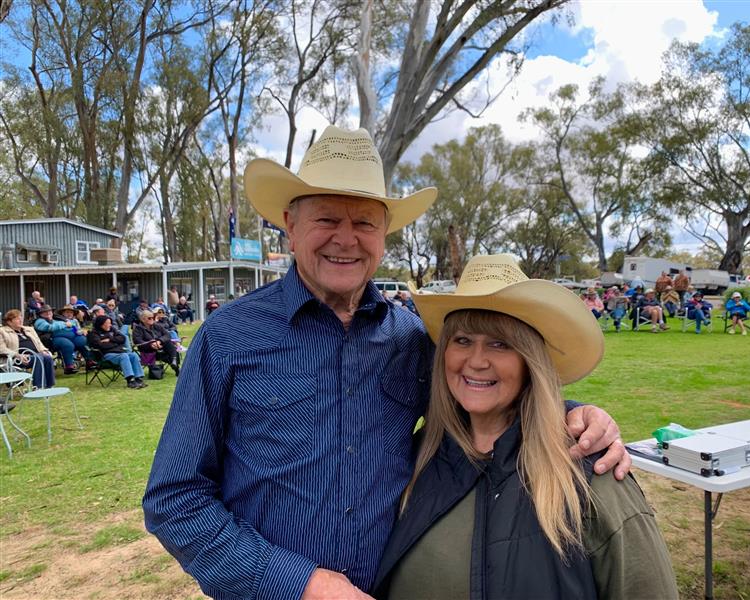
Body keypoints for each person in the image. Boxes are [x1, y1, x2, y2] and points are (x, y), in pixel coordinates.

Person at [142, 125, 630, 599]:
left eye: (364, 223)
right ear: (290, 226)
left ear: (385, 234)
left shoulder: (411, 337)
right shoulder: (228, 337)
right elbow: (175, 498)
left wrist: (575, 413)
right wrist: (303, 585)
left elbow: (486, 394)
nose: (346, 239)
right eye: (327, 219)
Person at [372, 254, 678, 599]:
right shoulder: (416, 458)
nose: (476, 361)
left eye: (500, 343)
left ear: (529, 360)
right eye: (462, 340)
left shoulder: (590, 472)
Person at [0, 309, 56, 389]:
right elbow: (1, 349)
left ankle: (49, 386)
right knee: (38, 358)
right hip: (16, 359)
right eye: (17, 319)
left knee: (47, 358)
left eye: (21, 317)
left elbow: (38, 343)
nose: (20, 320)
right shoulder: (2, 331)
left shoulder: (29, 329)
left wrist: (44, 350)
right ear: (9, 322)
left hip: (34, 355)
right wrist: (17, 355)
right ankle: (38, 387)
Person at [87, 315, 147, 389]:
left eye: (110, 323)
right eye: (108, 323)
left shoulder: (112, 329)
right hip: (106, 355)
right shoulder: (94, 333)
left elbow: (123, 338)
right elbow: (100, 346)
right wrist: (116, 343)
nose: (110, 325)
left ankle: (138, 379)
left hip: (119, 352)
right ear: (101, 324)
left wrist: (110, 339)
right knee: (124, 356)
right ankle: (130, 381)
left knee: (133, 355)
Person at [33, 305, 92, 374]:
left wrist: (79, 330)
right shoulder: (39, 321)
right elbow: (50, 327)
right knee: (67, 344)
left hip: (70, 337)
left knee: (82, 340)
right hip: (50, 340)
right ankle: (69, 366)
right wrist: (65, 324)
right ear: (40, 314)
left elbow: (71, 326)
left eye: (49, 311)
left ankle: (89, 362)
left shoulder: (56, 320)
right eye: (45, 312)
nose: (48, 313)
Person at [132, 310, 180, 375]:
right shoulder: (138, 329)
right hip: (148, 351)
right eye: (149, 318)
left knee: (168, 342)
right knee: (172, 352)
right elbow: (138, 341)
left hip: (161, 348)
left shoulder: (156, 326)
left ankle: (174, 362)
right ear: (143, 319)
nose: (152, 319)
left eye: (153, 317)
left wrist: (159, 341)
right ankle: (175, 365)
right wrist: (151, 344)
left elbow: (167, 335)